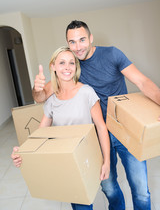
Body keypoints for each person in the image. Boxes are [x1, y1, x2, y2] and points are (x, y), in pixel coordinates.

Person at [31, 20, 160, 210]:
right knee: (109, 186)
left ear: (90, 38)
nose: (77, 46)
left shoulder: (112, 54)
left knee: (140, 188)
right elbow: (42, 96)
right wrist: (37, 88)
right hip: (97, 135)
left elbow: (142, 82)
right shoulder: (71, 67)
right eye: (72, 42)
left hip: (126, 129)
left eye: (82, 40)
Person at [11, 46, 110, 210]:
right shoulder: (52, 100)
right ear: (53, 66)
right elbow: (39, 135)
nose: (67, 67)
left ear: (76, 67)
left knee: (108, 190)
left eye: (72, 63)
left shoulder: (87, 92)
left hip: (88, 156)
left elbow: (101, 127)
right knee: (80, 204)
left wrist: (106, 161)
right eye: (62, 62)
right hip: (67, 161)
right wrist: (22, 151)